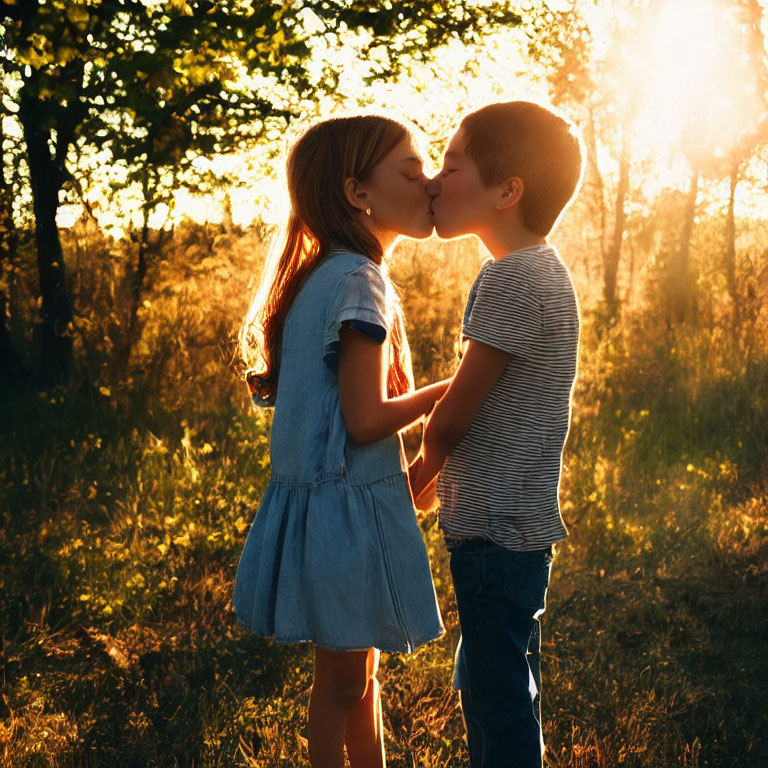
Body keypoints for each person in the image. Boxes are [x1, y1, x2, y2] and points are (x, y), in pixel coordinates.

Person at [233, 114, 448, 768]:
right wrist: (458, 387)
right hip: (342, 516)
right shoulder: (359, 280)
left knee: (359, 679)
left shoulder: (325, 274)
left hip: (333, 509)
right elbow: (364, 420)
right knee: (344, 684)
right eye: (411, 172)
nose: (430, 182)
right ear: (359, 193)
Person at [410, 101, 584, 768]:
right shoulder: (542, 271)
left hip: (494, 529)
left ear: (508, 191)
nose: (434, 181)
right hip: (514, 528)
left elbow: (454, 416)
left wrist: (407, 492)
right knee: (503, 687)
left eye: (451, 167)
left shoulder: (512, 278)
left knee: (497, 701)